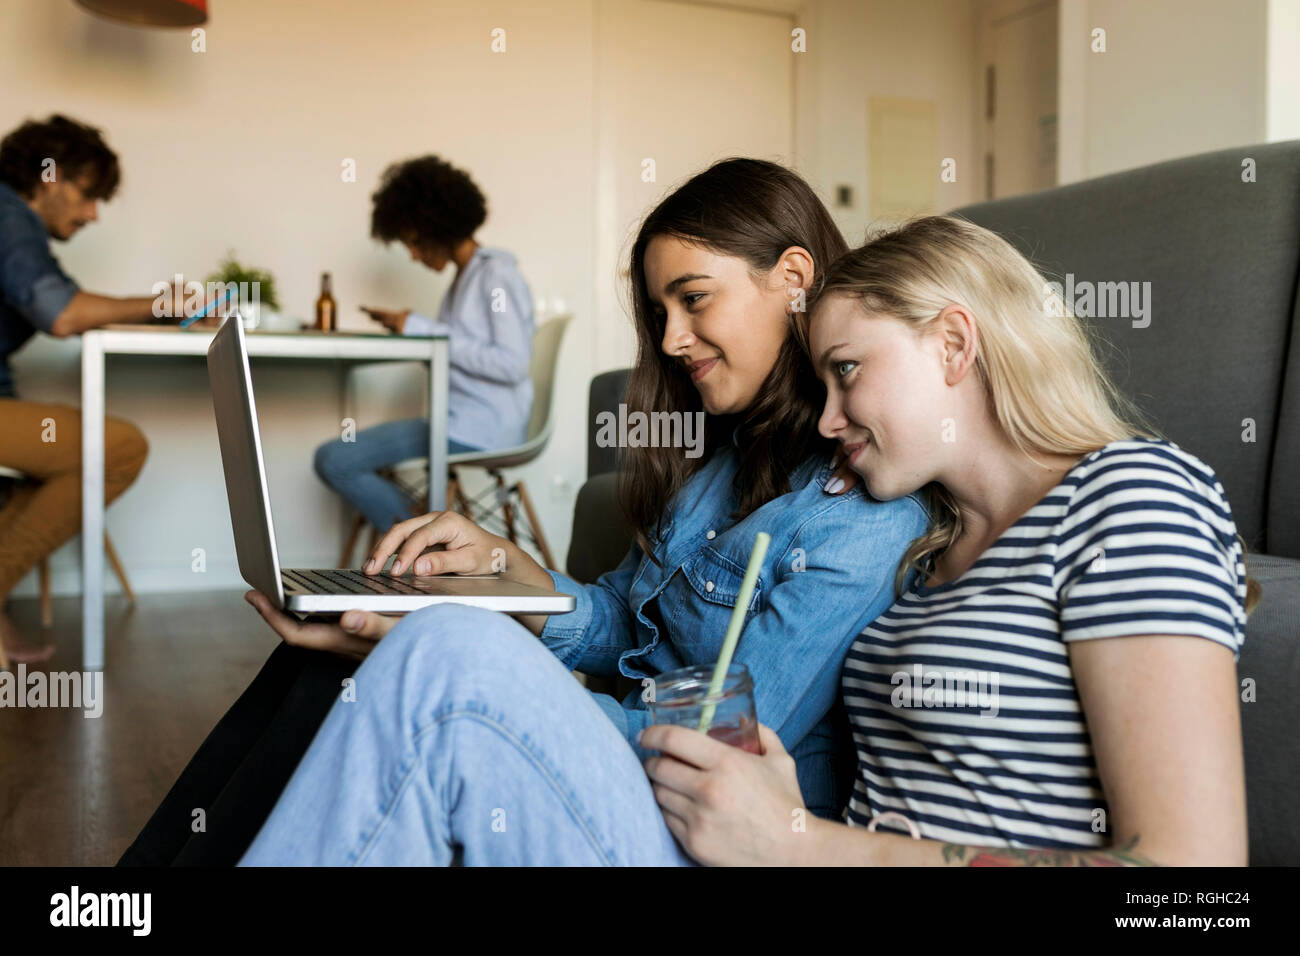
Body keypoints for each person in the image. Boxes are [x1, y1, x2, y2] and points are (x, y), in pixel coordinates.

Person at [243, 215, 1256, 867]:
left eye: (848, 371)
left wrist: (804, 844)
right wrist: (504, 591)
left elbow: (1192, 886)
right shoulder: (930, 545)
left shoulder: (1133, 498)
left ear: (954, 343)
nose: (824, 418)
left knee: (453, 663)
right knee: (428, 658)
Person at [118, 157, 928, 866]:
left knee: (425, 655)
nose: (674, 340)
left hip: (685, 818)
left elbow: (703, 750)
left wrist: (461, 647)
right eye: (660, 314)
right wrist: (503, 570)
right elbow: (620, 621)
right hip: (622, 765)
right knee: (328, 660)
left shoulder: (862, 515)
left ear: (793, 276)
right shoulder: (726, 463)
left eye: (693, 299)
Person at [0, 115, 191, 665]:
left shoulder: (19, 228)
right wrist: (161, 305)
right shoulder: (9, 217)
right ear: (49, 176)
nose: (92, 214)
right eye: (86, 196)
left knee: (60, 463)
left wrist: (164, 316)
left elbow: (74, 303)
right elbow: (62, 314)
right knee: (120, 447)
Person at [312, 155, 535, 533]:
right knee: (337, 456)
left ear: (439, 226)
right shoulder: (467, 278)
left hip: (480, 428)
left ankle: (420, 538)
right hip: (459, 422)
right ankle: (423, 530)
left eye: (414, 242)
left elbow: (512, 363)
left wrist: (418, 326)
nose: (412, 255)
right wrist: (410, 326)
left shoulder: (496, 276)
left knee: (335, 459)